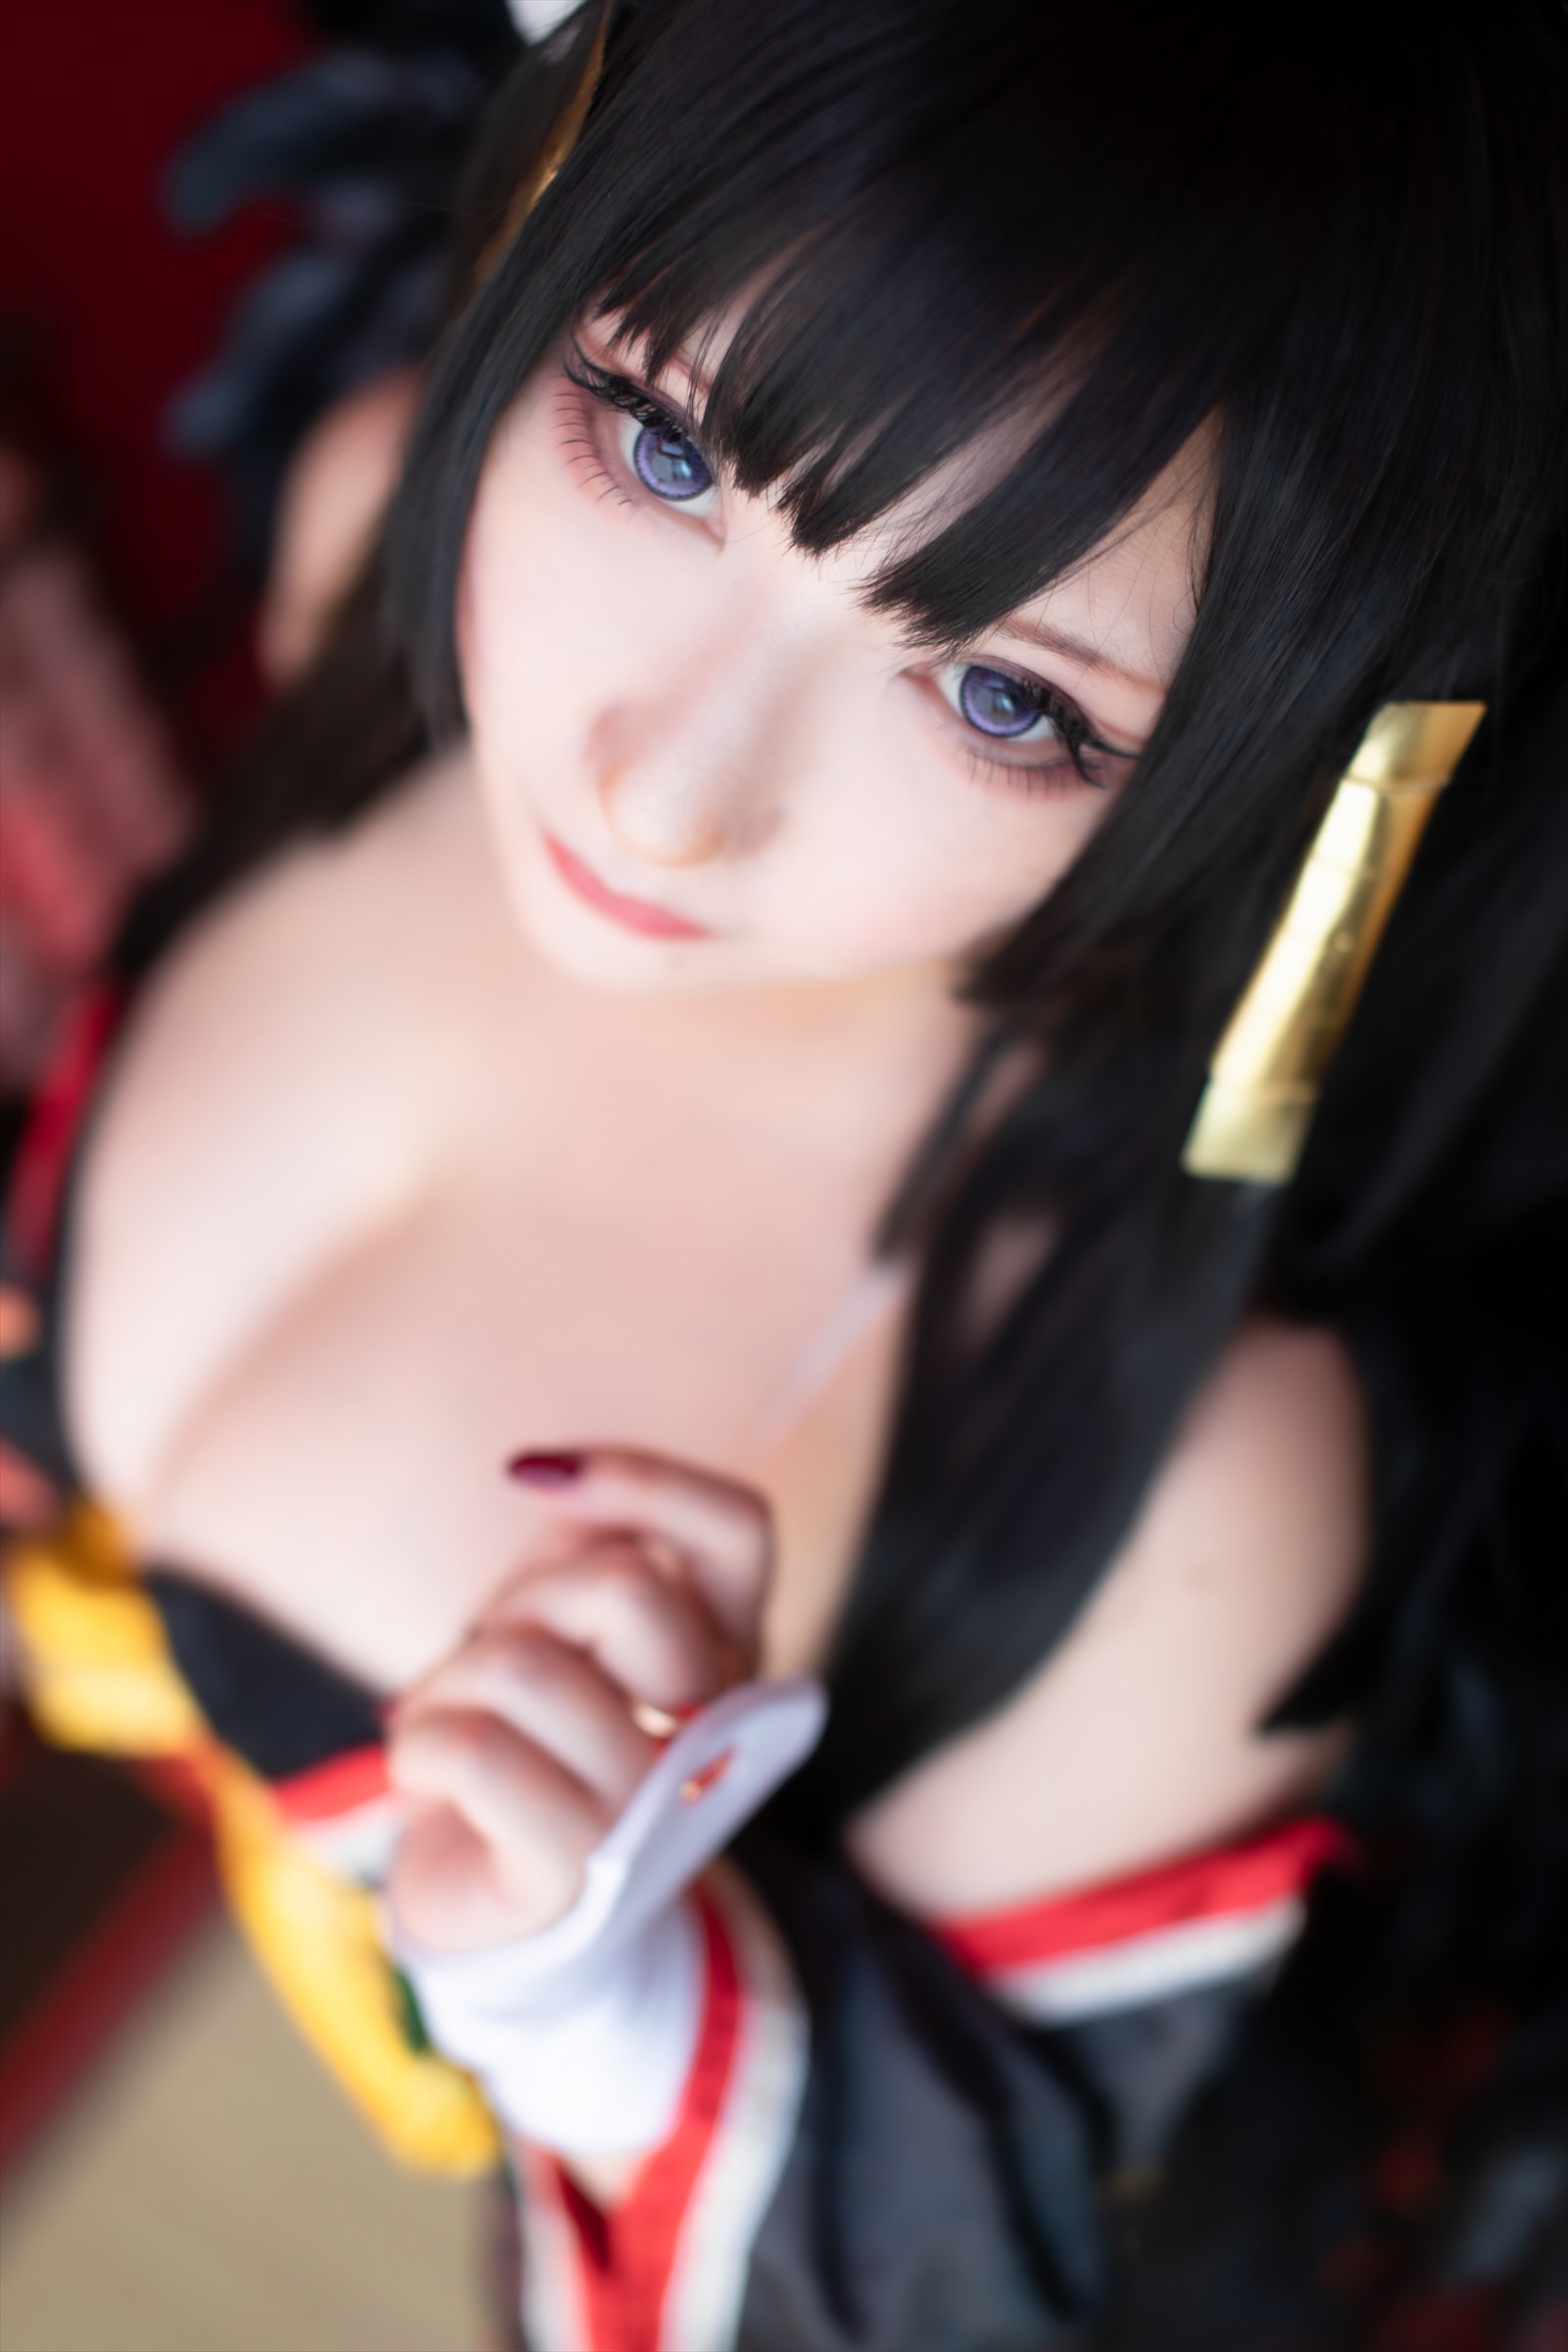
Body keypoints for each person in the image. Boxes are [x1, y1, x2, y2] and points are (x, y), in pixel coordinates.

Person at [2, 1, 1565, 2344]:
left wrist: (609, 2024)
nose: (659, 791)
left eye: (1002, 697)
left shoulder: (1164, 1490)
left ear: (1318, 790)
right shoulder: (373, 539)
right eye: (658, 448)